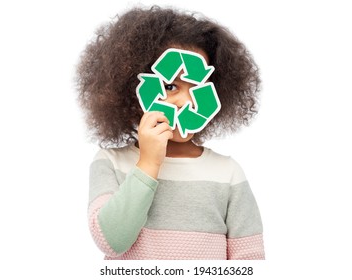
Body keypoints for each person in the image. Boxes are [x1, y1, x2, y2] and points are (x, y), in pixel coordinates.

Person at [76, 6, 265, 260]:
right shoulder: (110, 163)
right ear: (133, 89)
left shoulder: (228, 174)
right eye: (170, 85)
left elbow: (249, 260)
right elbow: (112, 241)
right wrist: (148, 164)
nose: (185, 101)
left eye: (196, 87)